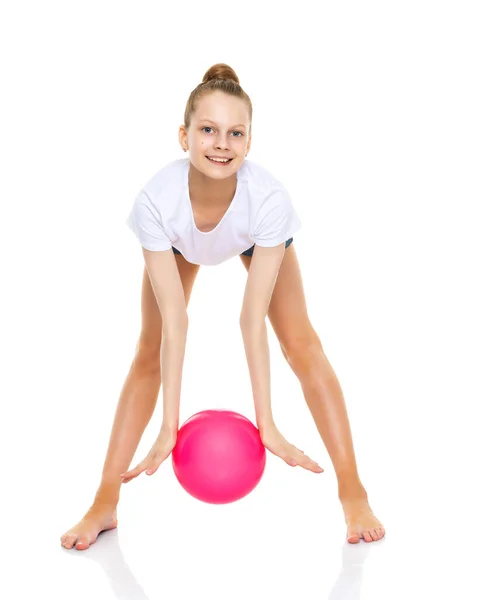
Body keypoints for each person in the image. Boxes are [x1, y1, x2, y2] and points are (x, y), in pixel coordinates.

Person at [60, 63, 385, 551]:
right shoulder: (156, 201)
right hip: (178, 243)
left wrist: (267, 422)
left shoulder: (267, 199)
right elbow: (176, 321)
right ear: (183, 135)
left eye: (236, 133)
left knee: (303, 345)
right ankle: (104, 502)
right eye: (207, 130)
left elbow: (250, 319)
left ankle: (353, 492)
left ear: (250, 143)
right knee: (147, 354)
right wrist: (169, 427)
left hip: (253, 238)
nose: (221, 144)